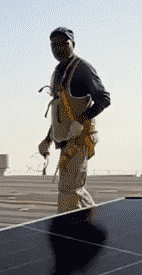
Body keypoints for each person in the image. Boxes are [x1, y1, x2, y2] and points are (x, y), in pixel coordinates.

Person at [36, 27, 111, 212]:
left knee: (68, 191)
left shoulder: (82, 69)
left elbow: (104, 99)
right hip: (66, 141)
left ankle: (70, 235)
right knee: (74, 190)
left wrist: (81, 121)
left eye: (64, 43)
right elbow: (59, 109)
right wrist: (47, 139)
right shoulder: (58, 72)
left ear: (73, 44)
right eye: (54, 45)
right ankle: (94, 224)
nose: (58, 48)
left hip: (80, 139)